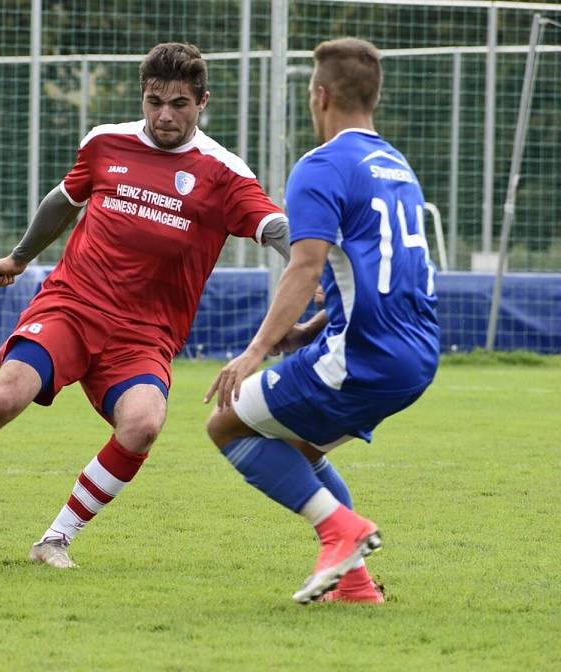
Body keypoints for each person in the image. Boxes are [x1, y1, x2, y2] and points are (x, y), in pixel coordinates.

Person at [0, 42, 290, 569]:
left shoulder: (223, 173)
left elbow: (272, 226)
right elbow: (65, 199)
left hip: (145, 334)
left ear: (202, 102)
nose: (165, 114)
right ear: (143, 96)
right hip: (73, 306)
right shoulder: (106, 143)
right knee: (2, 400)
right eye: (154, 100)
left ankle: (55, 539)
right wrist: (20, 257)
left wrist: (312, 262)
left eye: (179, 104)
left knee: (142, 424)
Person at [204, 38, 440, 604]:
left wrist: (256, 350)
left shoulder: (322, 165)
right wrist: (307, 331)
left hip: (363, 356)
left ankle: (343, 531)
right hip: (417, 355)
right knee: (297, 449)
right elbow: (382, 276)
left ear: (320, 95)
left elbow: (304, 267)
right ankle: (355, 584)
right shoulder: (397, 167)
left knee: (227, 423)